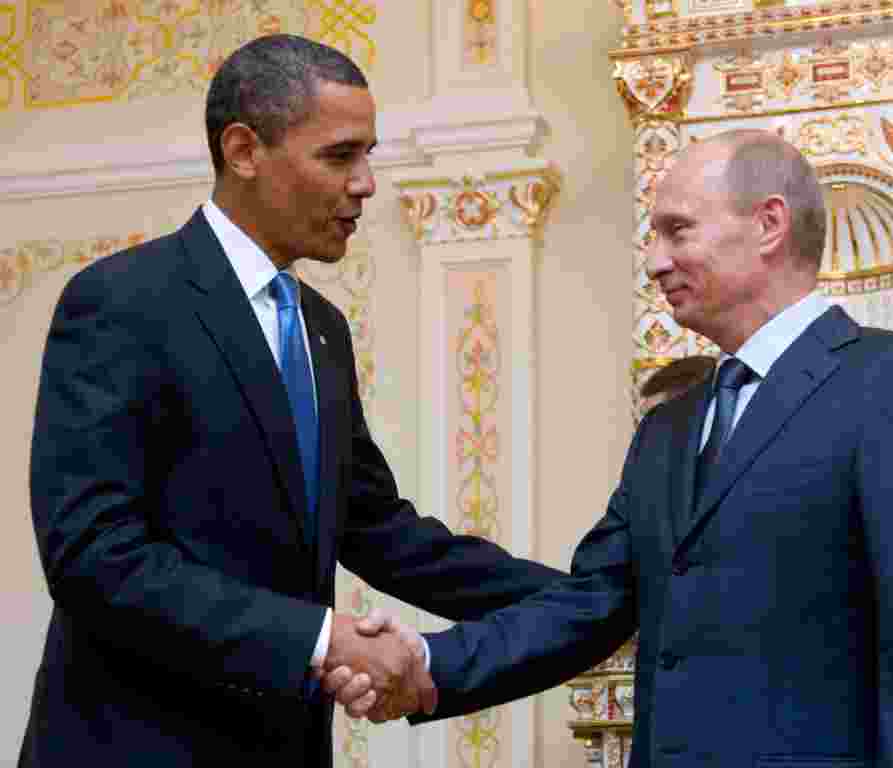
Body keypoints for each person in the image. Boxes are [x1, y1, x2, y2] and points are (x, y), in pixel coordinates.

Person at [332, 129, 893, 766]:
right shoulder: (670, 428)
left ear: (769, 225)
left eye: (676, 230)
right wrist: (427, 663)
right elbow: (593, 601)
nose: (656, 260)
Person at [19, 34, 563, 768]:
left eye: (368, 155)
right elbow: (93, 555)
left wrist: (586, 603)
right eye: (341, 156)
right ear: (243, 151)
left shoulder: (321, 329)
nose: (367, 183)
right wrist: (317, 638)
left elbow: (378, 529)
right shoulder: (120, 302)